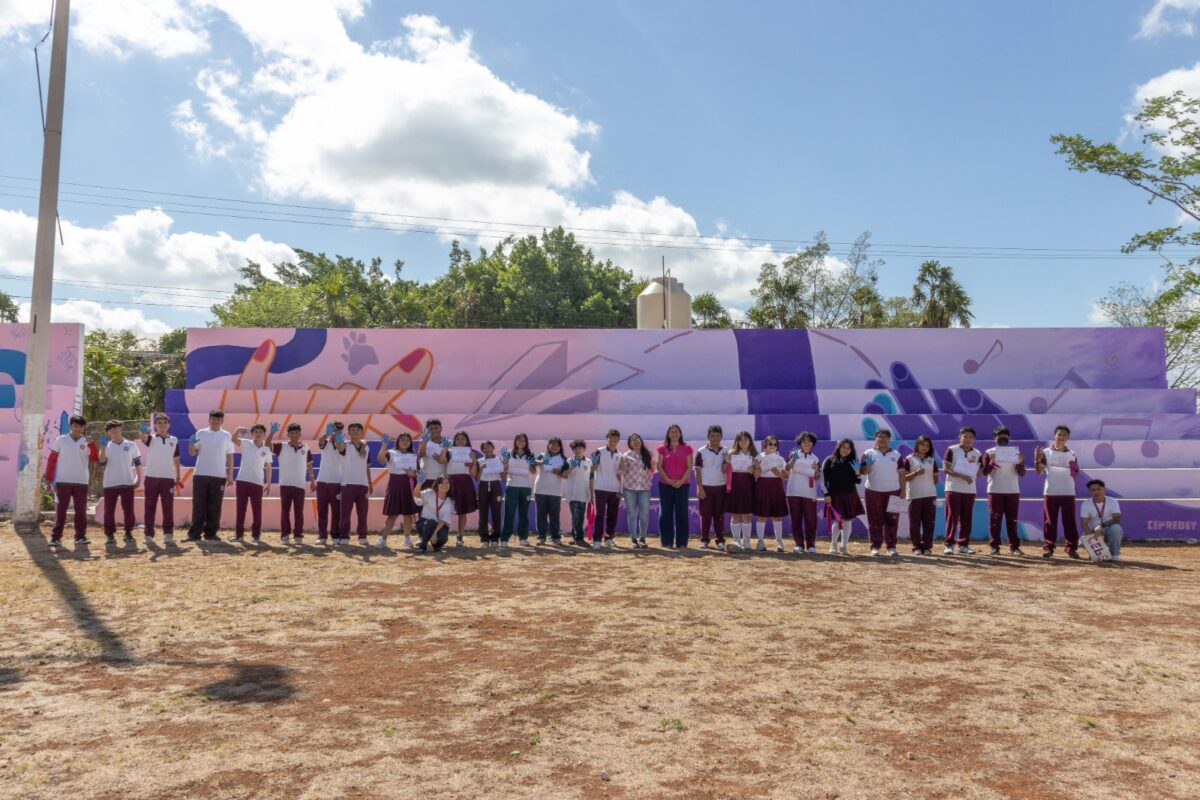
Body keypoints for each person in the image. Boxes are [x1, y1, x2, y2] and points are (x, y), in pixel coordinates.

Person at [45, 415, 96, 546]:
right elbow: (52, 459)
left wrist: (92, 445)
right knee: (61, 510)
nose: (78, 428)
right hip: (63, 480)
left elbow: (94, 459)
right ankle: (55, 537)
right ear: (70, 426)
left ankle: (80, 537)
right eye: (75, 426)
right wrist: (49, 478)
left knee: (81, 511)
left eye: (81, 426)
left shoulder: (87, 442)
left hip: (82, 481)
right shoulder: (61, 440)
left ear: (84, 428)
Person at [187, 409, 234, 542]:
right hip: (200, 474)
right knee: (198, 505)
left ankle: (211, 533)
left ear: (222, 421)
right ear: (209, 419)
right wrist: (191, 443)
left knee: (215, 506)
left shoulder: (226, 435)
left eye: (218, 419)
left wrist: (230, 475)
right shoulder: (201, 433)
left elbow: (230, 456)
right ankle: (194, 534)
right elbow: (192, 453)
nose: (216, 421)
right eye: (213, 418)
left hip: (219, 476)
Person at [1036, 424, 1081, 559]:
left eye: (1064, 435)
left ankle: (1071, 548)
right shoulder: (1046, 452)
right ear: (1054, 435)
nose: (1061, 437)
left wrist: (1074, 469)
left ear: (1068, 438)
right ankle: (1049, 547)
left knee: (1070, 521)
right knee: (1050, 521)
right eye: (1059, 434)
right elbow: (1039, 472)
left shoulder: (1072, 453)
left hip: (1068, 491)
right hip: (1051, 491)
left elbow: (1075, 473)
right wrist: (1037, 459)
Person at [981, 426, 1026, 556]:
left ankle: (1014, 546)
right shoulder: (989, 452)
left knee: (1012, 520)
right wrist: (992, 463)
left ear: (1009, 438)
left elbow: (1022, 473)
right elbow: (984, 472)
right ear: (994, 438)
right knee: (995, 519)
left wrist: (1020, 462)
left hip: (1012, 490)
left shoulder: (1016, 452)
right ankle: (994, 546)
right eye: (999, 436)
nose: (1002, 438)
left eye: (1005, 436)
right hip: (995, 490)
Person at [860, 428, 905, 557]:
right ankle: (875, 546)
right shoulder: (868, 453)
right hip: (873, 491)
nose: (882, 439)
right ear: (875, 438)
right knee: (874, 520)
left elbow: (902, 474)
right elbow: (863, 472)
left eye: (885, 437)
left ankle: (891, 547)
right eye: (880, 436)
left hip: (894, 491)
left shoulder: (896, 454)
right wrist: (868, 465)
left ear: (889, 439)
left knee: (892, 520)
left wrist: (903, 490)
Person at [98, 421, 142, 543]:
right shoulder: (106, 446)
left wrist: (138, 478)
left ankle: (128, 533)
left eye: (116, 428)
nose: (114, 431)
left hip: (127, 482)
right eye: (110, 429)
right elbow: (101, 462)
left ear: (121, 428)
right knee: (109, 510)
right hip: (110, 483)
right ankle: (110, 534)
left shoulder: (131, 444)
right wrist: (102, 448)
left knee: (128, 510)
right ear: (107, 432)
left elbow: (137, 463)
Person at [141, 414, 182, 545]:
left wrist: (178, 476)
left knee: (168, 507)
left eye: (164, 422)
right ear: (155, 425)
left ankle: (168, 534)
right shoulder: (151, 438)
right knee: (149, 507)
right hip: (151, 477)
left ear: (168, 425)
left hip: (168, 478)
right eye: (159, 423)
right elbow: (143, 438)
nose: (162, 425)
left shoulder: (174, 440)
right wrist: (142, 431)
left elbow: (176, 459)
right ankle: (148, 534)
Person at [231, 423, 275, 543]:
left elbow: (268, 467)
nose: (258, 434)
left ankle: (256, 534)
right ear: (252, 434)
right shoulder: (246, 443)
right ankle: (239, 534)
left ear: (264, 434)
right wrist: (238, 429)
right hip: (242, 481)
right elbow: (233, 439)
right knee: (240, 509)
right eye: (255, 432)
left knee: (257, 510)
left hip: (257, 483)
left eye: (260, 432)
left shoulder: (267, 449)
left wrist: (269, 484)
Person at [274, 423, 315, 545]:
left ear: (300, 434)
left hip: (300, 485)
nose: (294, 435)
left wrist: (312, 480)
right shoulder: (281, 446)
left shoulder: (306, 447)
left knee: (299, 511)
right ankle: (285, 535)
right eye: (292, 433)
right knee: (285, 511)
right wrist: (272, 432)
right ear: (288, 434)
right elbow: (266, 445)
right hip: (285, 484)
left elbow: (309, 465)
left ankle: (298, 536)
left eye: (296, 433)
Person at [942, 426, 981, 555]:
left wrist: (990, 464)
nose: (968, 439)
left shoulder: (977, 453)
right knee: (952, 517)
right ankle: (949, 544)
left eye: (971, 437)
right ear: (960, 437)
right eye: (965, 436)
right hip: (953, 488)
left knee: (966, 518)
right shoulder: (952, 449)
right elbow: (945, 469)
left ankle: (963, 544)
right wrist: (963, 476)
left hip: (970, 490)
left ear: (974, 439)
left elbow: (980, 473)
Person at [822, 438, 863, 554]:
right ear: (839, 447)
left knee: (848, 521)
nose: (846, 450)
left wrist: (857, 472)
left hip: (850, 494)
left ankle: (844, 546)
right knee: (838, 520)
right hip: (834, 495)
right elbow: (823, 479)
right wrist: (826, 494)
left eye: (848, 448)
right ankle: (833, 544)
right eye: (844, 447)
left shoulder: (854, 461)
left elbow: (858, 481)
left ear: (851, 450)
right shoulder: (829, 460)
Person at [656, 424, 694, 549]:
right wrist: (668, 480)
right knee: (666, 513)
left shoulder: (687, 448)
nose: (674, 434)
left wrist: (681, 481)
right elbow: (659, 466)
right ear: (668, 434)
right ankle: (667, 541)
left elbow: (689, 467)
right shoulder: (662, 448)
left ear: (680, 434)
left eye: (676, 431)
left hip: (683, 485)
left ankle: (681, 542)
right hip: (665, 485)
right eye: (672, 432)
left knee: (681, 513)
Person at [378, 432, 419, 548]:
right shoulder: (391, 452)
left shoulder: (412, 455)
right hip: (395, 485)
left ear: (410, 443)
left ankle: (407, 539)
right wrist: (384, 445)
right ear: (398, 441)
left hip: (408, 486)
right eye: (402, 439)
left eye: (407, 440)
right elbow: (381, 460)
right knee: (392, 514)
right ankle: (383, 539)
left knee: (408, 514)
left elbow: (417, 474)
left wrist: (412, 474)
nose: (405, 442)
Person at [695, 425, 730, 551]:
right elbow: (697, 472)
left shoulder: (726, 451)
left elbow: (725, 470)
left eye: (718, 436)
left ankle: (720, 540)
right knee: (706, 515)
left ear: (721, 437)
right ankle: (704, 540)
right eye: (713, 436)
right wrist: (700, 488)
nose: (715, 438)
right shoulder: (701, 451)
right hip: (706, 487)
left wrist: (726, 461)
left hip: (721, 486)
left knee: (719, 515)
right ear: (708, 437)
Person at [335, 422, 372, 545]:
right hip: (347, 484)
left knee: (363, 513)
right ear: (349, 432)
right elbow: (339, 446)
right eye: (352, 430)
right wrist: (338, 436)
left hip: (363, 484)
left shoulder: (366, 448)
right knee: (345, 513)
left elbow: (367, 466)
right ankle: (344, 536)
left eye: (357, 429)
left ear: (362, 432)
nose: (355, 432)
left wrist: (370, 483)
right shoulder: (345, 445)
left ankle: (362, 536)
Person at [784, 432, 820, 554]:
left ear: (813, 443)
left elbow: (816, 477)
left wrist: (816, 470)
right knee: (796, 519)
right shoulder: (793, 454)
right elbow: (787, 468)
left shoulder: (815, 458)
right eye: (804, 441)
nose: (807, 443)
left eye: (809, 441)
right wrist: (792, 460)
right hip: (793, 491)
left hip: (809, 493)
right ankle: (798, 544)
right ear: (800, 443)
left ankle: (811, 545)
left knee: (811, 520)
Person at [903, 435, 939, 555]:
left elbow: (935, 480)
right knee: (914, 523)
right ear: (917, 445)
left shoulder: (932, 460)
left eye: (927, 446)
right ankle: (916, 547)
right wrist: (916, 473)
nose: (925, 447)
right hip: (914, 495)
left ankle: (927, 547)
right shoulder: (909, 459)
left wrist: (930, 481)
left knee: (929, 522)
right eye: (922, 445)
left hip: (930, 494)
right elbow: (904, 477)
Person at [618, 433, 655, 548]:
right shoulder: (626, 456)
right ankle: (634, 539)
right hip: (630, 489)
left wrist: (647, 480)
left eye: (637, 439)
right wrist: (621, 466)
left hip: (644, 489)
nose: (636, 441)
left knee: (644, 514)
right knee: (632, 514)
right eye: (633, 440)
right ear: (630, 444)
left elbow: (652, 470)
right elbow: (622, 472)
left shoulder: (649, 454)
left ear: (641, 441)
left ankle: (642, 538)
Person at [500, 433, 536, 547]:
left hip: (525, 487)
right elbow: (504, 474)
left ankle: (523, 538)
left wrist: (532, 464)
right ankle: (505, 539)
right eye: (519, 440)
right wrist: (505, 462)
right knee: (509, 513)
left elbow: (533, 472)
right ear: (515, 441)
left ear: (526, 442)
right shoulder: (509, 453)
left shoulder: (530, 454)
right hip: (512, 486)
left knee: (524, 514)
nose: (521, 442)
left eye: (524, 441)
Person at [755, 435, 788, 552]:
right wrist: (758, 469)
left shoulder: (780, 459)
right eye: (770, 444)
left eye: (775, 444)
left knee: (777, 516)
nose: (773, 446)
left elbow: (786, 476)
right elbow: (755, 475)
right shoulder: (758, 457)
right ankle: (760, 541)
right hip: (762, 486)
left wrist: (779, 474)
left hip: (776, 487)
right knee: (761, 516)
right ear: (765, 445)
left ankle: (779, 542)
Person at [446, 431, 479, 547]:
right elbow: (442, 462)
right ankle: (441, 535)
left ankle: (460, 537)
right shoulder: (448, 451)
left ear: (467, 441)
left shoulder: (470, 453)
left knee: (462, 512)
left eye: (463, 439)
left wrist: (473, 460)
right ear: (454, 441)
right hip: (449, 483)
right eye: (458, 439)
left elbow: (473, 474)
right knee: (445, 510)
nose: (460, 441)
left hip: (465, 483)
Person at [591, 429, 623, 548]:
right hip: (600, 488)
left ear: (618, 440)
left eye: (615, 438)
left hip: (615, 489)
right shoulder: (599, 451)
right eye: (611, 437)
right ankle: (597, 540)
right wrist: (594, 464)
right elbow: (592, 469)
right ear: (607, 438)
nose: (613, 440)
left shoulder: (620, 455)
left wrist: (620, 490)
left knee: (612, 515)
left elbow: (621, 473)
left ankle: (609, 538)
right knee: (599, 515)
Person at [727, 431, 758, 551]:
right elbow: (724, 470)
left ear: (750, 441)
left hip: (748, 487)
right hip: (734, 486)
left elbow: (758, 475)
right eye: (741, 439)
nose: (743, 442)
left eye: (746, 439)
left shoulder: (755, 455)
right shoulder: (731, 454)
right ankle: (736, 540)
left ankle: (746, 541)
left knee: (747, 515)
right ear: (737, 441)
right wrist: (726, 462)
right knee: (735, 515)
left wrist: (754, 468)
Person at [315, 420, 344, 545]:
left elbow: (341, 448)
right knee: (322, 511)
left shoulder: (344, 444)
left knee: (336, 512)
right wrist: (326, 434)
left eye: (337, 430)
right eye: (332, 429)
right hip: (322, 481)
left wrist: (338, 440)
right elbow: (320, 441)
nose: (334, 432)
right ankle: (322, 536)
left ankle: (335, 535)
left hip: (337, 482)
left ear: (341, 431)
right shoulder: (325, 443)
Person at [533, 437, 566, 545]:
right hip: (540, 489)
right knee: (541, 514)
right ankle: (541, 537)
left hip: (555, 491)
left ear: (560, 447)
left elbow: (566, 475)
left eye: (557, 445)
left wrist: (559, 473)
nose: (554, 447)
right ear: (548, 446)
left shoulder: (563, 459)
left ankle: (555, 537)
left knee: (554, 515)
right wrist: (542, 462)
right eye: (552, 444)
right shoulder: (542, 455)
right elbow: (533, 462)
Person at [1081, 479, 1123, 561]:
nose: (1096, 492)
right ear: (1089, 492)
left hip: (1108, 529)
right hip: (1093, 531)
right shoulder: (1085, 504)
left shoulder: (1112, 501)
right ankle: (1096, 553)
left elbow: (1117, 519)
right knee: (1084, 539)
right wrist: (1091, 540)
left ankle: (1114, 555)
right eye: (1093, 490)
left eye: (1098, 489)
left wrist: (1101, 526)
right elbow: (1084, 524)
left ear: (1104, 490)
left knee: (1116, 528)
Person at [413, 474, 455, 552]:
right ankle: (423, 546)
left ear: (450, 485)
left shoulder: (450, 502)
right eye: (441, 483)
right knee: (431, 522)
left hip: (439, 525)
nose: (444, 485)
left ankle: (436, 546)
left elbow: (444, 520)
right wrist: (419, 483)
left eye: (447, 483)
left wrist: (435, 533)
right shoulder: (429, 493)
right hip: (425, 523)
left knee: (443, 538)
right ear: (437, 484)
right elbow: (416, 494)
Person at [565, 439, 594, 547]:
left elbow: (591, 478)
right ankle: (580, 539)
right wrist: (571, 467)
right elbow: (564, 475)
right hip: (573, 494)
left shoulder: (589, 462)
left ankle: (575, 537)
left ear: (584, 449)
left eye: (580, 448)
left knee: (579, 517)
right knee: (577, 516)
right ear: (572, 450)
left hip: (584, 493)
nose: (578, 450)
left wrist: (591, 494)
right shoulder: (569, 461)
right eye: (575, 448)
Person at [476, 441, 505, 547]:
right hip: (483, 486)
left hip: (495, 485)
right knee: (483, 512)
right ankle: (484, 538)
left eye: (489, 447)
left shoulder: (499, 460)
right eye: (484, 448)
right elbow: (477, 478)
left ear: (493, 447)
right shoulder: (479, 461)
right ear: (482, 450)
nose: (487, 449)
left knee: (496, 512)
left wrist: (505, 464)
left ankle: (495, 538)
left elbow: (503, 475)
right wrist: (481, 469)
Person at [418, 417, 449, 489]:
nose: (433, 430)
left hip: (442, 479)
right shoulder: (423, 441)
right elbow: (421, 455)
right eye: (431, 429)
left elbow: (448, 460)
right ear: (427, 430)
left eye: (436, 428)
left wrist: (441, 459)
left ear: (441, 428)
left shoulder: (448, 442)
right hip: (426, 478)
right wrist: (425, 442)